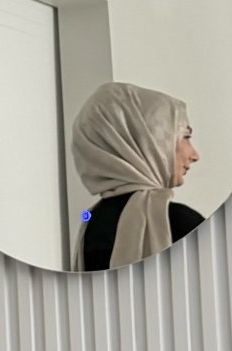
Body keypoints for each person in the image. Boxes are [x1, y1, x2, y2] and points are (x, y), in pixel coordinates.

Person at [70, 81, 202, 270]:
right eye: (185, 137)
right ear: (151, 141)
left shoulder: (90, 223)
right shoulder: (178, 223)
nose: (194, 155)